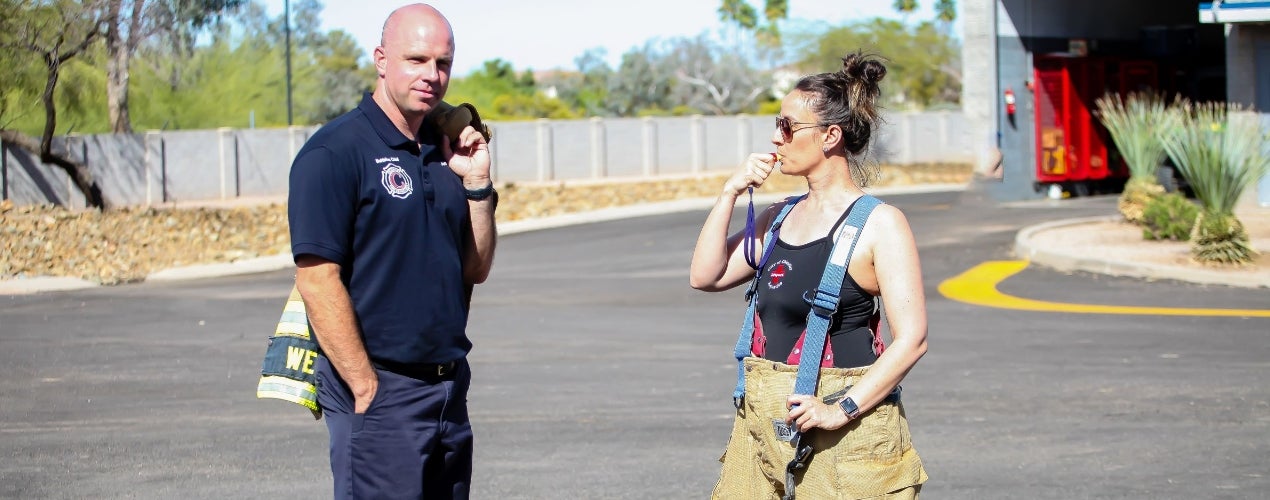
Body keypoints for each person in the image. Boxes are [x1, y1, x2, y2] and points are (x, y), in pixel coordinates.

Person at [690, 52, 928, 499]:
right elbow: (706, 276)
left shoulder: (881, 224)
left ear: (830, 136)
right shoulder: (779, 218)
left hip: (845, 439)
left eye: (786, 126)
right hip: (760, 429)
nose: (775, 139)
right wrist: (729, 193)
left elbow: (912, 338)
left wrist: (842, 409)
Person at [287, 4, 496, 499]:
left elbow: (477, 267)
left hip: (447, 390)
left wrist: (479, 186)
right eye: (416, 60)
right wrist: (366, 389)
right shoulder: (334, 153)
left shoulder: (447, 152)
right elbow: (317, 279)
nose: (432, 75)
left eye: (443, 63)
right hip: (380, 391)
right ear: (381, 59)